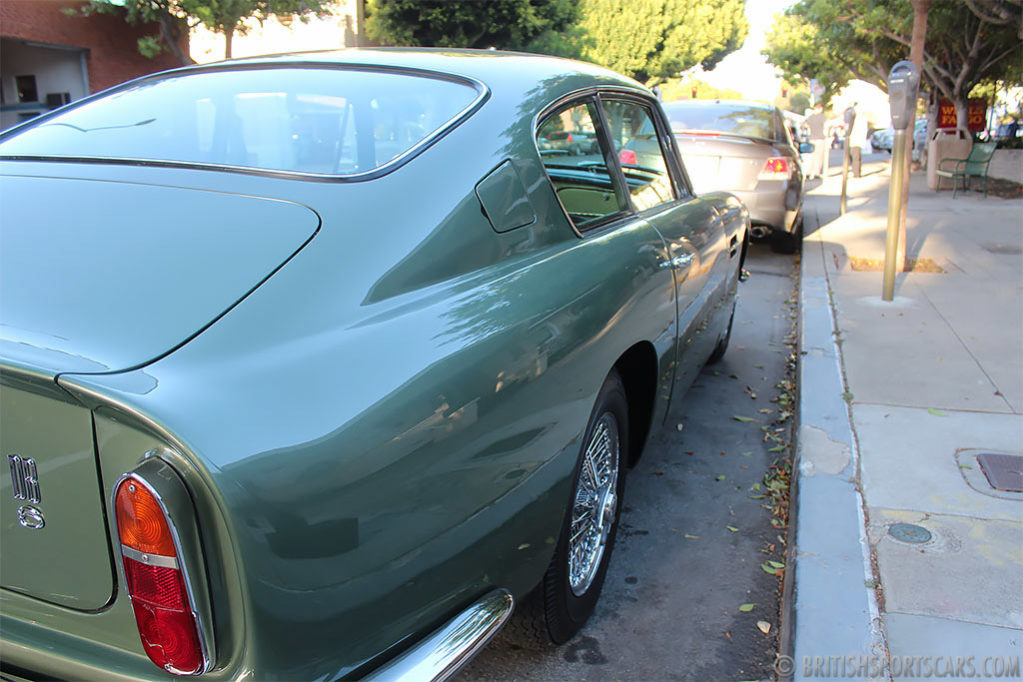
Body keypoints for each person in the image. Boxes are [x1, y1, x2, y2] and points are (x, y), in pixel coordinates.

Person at [846, 102, 868, 177]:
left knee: (855, 157)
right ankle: (855, 171)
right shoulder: (855, 117)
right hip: (854, 139)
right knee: (853, 156)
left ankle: (856, 173)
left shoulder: (860, 118)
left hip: (856, 139)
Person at [806, 102, 828, 178]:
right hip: (820, 138)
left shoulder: (810, 117)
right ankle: (816, 172)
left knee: (811, 156)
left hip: (812, 138)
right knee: (819, 156)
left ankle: (809, 171)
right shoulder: (823, 117)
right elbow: (827, 127)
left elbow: (806, 125)